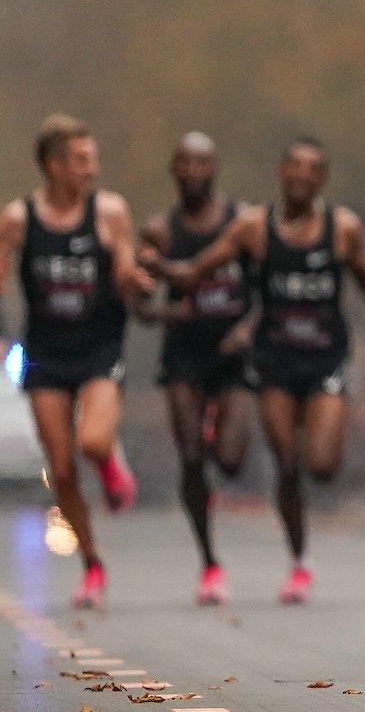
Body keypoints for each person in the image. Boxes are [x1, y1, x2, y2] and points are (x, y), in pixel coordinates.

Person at [142, 137, 365, 604]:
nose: (301, 175)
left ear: (323, 178)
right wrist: (158, 268)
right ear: (281, 172)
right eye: (294, 166)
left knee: (320, 465)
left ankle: (302, 534)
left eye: (312, 168)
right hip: (274, 360)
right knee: (286, 463)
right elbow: (197, 270)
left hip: (324, 360)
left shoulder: (342, 228)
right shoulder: (253, 228)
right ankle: (300, 562)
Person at [0, 114, 152, 609]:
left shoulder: (109, 212)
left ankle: (108, 465)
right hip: (46, 353)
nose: (92, 168)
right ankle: (92, 564)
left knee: (92, 440)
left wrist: (135, 282)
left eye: (93, 158)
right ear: (53, 165)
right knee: (61, 469)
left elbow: (124, 267)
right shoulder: (19, 218)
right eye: (82, 159)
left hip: (99, 346)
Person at [136, 132, 256, 606]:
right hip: (184, 355)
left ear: (215, 167)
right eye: (183, 163)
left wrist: (248, 327)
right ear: (173, 170)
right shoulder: (159, 231)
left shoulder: (243, 223)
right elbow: (139, 308)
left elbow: (267, 292)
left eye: (201, 163)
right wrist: (166, 313)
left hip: (233, 353)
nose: (192, 172)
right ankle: (209, 562)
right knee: (189, 457)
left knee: (229, 461)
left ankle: (217, 433)